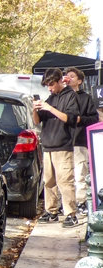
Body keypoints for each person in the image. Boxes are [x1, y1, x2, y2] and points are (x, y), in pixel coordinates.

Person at [32, 68, 80, 228]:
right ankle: (52, 211)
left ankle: (71, 214)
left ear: (60, 80)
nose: (50, 88)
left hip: (63, 145)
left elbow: (70, 118)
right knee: (49, 181)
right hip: (48, 145)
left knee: (65, 181)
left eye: (52, 84)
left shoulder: (71, 96)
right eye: (47, 86)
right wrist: (35, 109)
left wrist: (50, 108)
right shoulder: (51, 97)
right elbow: (38, 121)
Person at [64, 67, 99, 215]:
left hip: (79, 140)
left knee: (80, 174)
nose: (68, 78)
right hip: (63, 141)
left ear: (79, 81)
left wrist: (79, 119)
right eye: (67, 76)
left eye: (72, 76)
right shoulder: (61, 96)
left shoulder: (86, 98)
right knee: (65, 176)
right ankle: (66, 204)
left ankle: (81, 201)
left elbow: (94, 118)